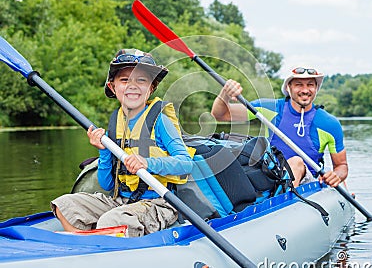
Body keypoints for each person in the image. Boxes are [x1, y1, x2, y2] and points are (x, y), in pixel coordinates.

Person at [51, 49, 194, 237]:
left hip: (157, 203)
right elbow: (107, 184)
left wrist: (148, 163)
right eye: (125, 80)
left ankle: (100, 240)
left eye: (141, 80)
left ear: (151, 87)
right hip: (120, 201)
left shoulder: (160, 121)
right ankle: (89, 243)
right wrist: (103, 152)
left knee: (110, 221)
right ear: (112, 87)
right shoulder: (114, 125)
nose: (132, 86)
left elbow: (185, 163)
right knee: (63, 204)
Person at [211, 66, 348, 188]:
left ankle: (282, 198)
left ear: (316, 88)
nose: (305, 90)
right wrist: (225, 93)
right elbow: (220, 115)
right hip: (269, 175)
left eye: (310, 85)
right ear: (289, 88)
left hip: (306, 183)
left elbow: (341, 166)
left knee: (296, 162)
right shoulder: (269, 108)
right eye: (299, 85)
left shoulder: (329, 123)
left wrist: (336, 176)